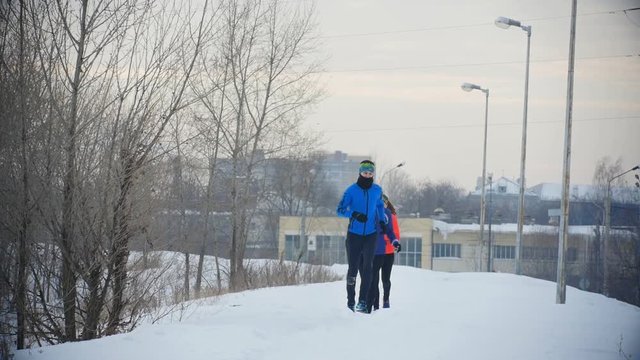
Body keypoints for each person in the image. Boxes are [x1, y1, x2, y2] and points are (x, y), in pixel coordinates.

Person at [336, 160, 387, 313]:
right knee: (353, 268)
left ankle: (362, 301)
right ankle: (350, 301)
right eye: (365, 172)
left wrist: (382, 220)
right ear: (360, 173)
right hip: (354, 235)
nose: (367, 175)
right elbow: (340, 210)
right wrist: (354, 214)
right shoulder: (351, 191)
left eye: (370, 173)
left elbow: (379, 205)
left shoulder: (377, 190)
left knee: (368, 268)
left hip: (371, 234)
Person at [367, 194, 401, 312]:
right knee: (374, 279)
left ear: (387, 203)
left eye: (384, 202)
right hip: (376, 252)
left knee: (385, 279)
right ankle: (374, 304)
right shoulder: (373, 214)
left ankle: (386, 300)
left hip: (388, 253)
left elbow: (395, 234)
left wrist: (388, 241)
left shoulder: (391, 216)